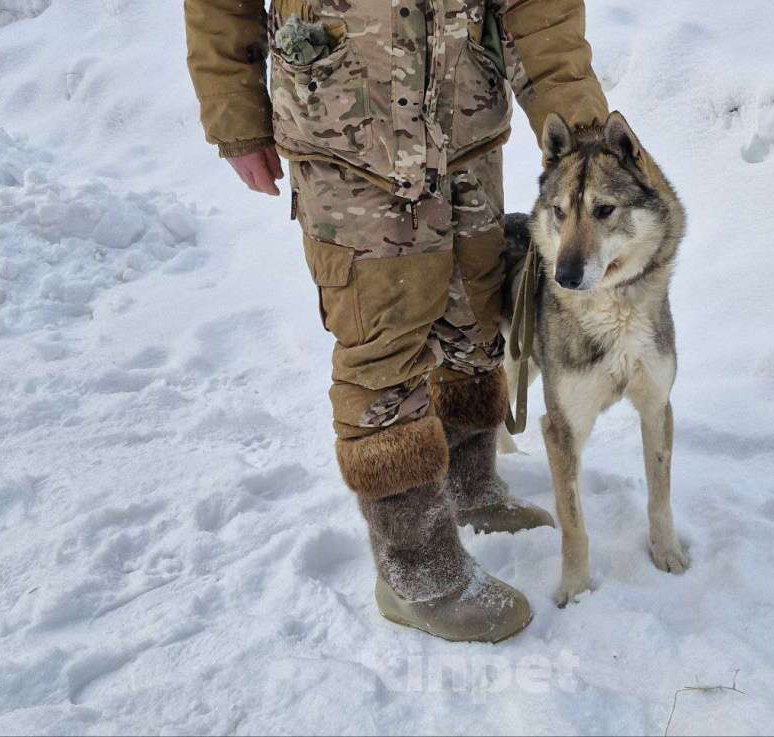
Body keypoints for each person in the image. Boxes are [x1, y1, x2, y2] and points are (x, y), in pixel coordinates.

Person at [184, 0, 608, 642]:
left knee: (473, 322)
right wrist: (237, 122)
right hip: (345, 139)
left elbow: (540, 9)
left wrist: (585, 133)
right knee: (381, 347)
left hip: (465, 131)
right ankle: (417, 570)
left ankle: (468, 486)